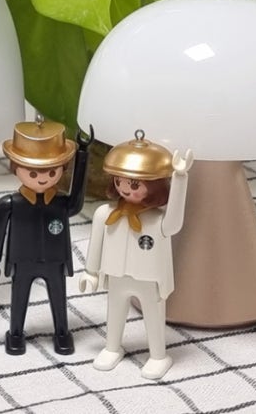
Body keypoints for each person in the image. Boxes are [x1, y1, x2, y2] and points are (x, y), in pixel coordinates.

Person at [79, 130, 193, 379]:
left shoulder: (158, 221)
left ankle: (158, 355)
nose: (125, 189)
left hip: (148, 278)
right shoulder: (105, 214)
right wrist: (91, 272)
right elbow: (96, 244)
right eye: (119, 182)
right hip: (116, 274)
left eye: (134, 184)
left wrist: (180, 178)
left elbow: (175, 222)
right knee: (114, 312)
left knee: (153, 316)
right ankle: (112, 347)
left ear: (153, 186)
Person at [0, 119, 92, 355]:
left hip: (54, 259)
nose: (42, 178)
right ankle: (15, 333)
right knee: (19, 298)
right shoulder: (10, 204)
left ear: (63, 168)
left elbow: (77, 200)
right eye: (33, 172)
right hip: (22, 260)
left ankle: (62, 332)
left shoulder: (61, 204)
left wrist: (83, 154)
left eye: (52, 171)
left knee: (58, 298)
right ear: (15, 167)